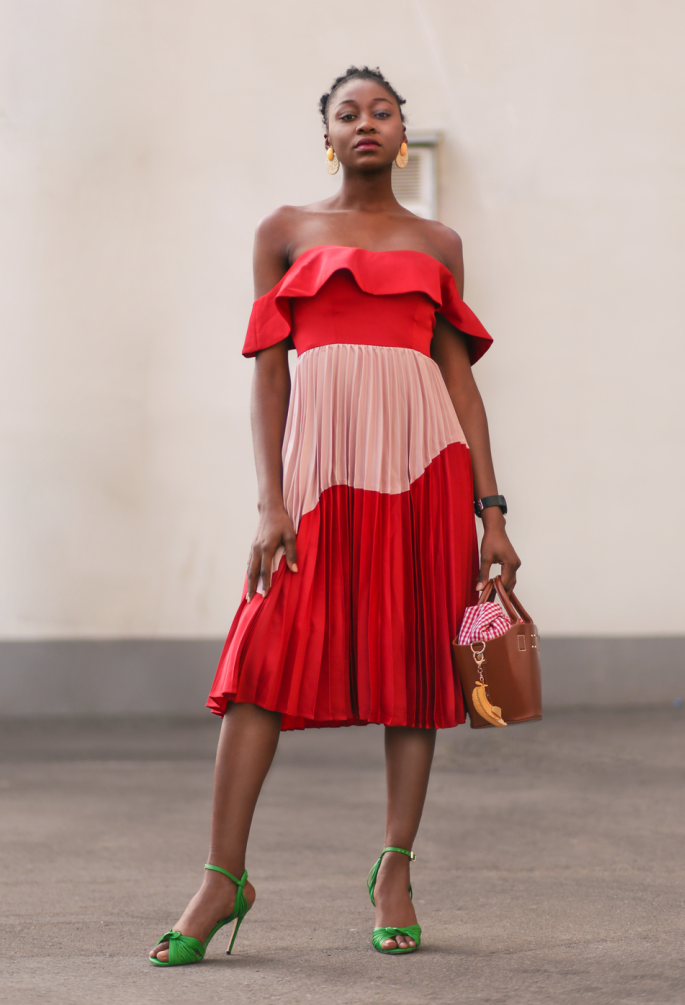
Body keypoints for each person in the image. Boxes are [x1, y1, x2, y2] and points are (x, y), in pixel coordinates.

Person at [149, 65, 520, 966]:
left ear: (403, 133)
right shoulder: (283, 232)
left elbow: (458, 380)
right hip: (318, 481)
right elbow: (269, 374)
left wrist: (493, 513)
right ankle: (222, 877)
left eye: (381, 112)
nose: (366, 123)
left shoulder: (439, 242)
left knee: (417, 669)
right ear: (329, 133)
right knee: (260, 662)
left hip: (426, 474)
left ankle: (394, 869)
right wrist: (270, 501)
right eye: (348, 112)